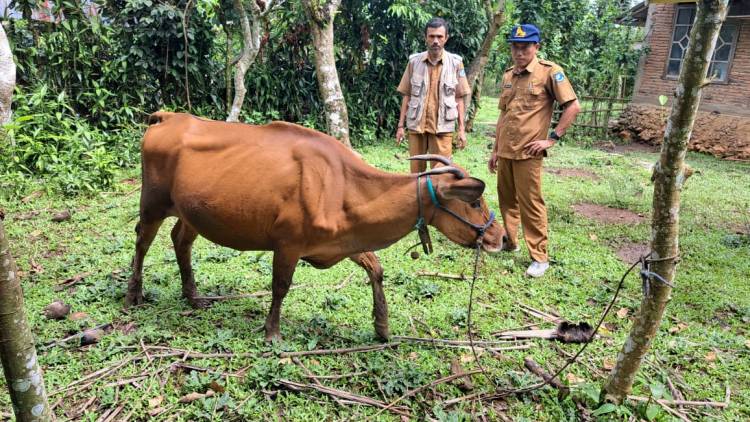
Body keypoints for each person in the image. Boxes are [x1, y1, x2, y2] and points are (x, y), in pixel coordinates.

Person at [488, 24, 581, 278]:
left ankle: (539, 257)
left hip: (529, 153)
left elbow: (572, 107)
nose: (519, 52)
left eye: (525, 46)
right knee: (507, 200)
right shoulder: (509, 75)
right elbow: (503, 115)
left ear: (536, 47)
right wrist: (495, 149)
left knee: (531, 204)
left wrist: (551, 138)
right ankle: (512, 242)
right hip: (506, 151)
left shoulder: (550, 73)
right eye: (515, 47)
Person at [395, 17, 471, 173]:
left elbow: (459, 98)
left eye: (439, 37)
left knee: (442, 173)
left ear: (446, 38)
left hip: (443, 128)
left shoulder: (456, 63)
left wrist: (462, 130)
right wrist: (400, 126)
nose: (435, 41)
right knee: (416, 173)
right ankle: (418, 198)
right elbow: (407, 96)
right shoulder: (414, 62)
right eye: (431, 36)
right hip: (417, 127)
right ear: (425, 38)